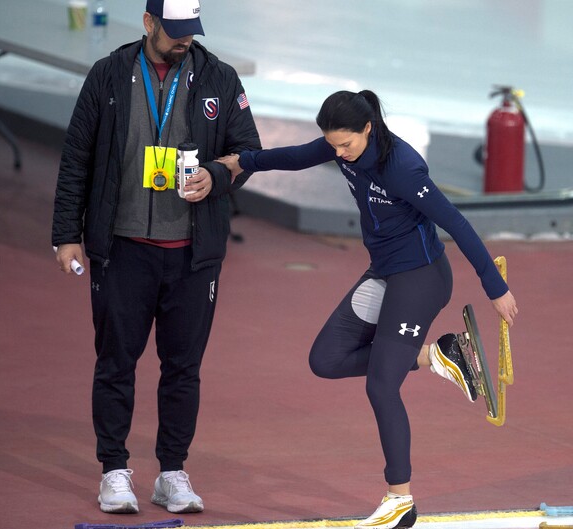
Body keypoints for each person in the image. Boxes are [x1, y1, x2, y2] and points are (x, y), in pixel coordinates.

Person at [217, 90, 517, 529]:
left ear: (368, 129)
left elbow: (455, 221)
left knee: (381, 385)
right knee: (325, 359)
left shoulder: (402, 167)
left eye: (346, 145)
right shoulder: (342, 144)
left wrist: (495, 286)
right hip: (384, 272)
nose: (339, 154)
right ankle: (438, 354)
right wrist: (244, 162)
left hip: (420, 278)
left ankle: (400, 500)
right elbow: (300, 155)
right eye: (333, 145)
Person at [52, 0, 261, 515]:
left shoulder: (220, 77)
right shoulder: (108, 75)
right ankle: (114, 471)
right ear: (148, 24)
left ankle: (172, 471)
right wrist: (66, 234)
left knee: (183, 368)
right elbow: (76, 155)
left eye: (192, 30)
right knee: (117, 363)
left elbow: (248, 151)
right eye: (174, 30)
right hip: (122, 250)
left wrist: (217, 172)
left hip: (193, 256)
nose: (184, 39)